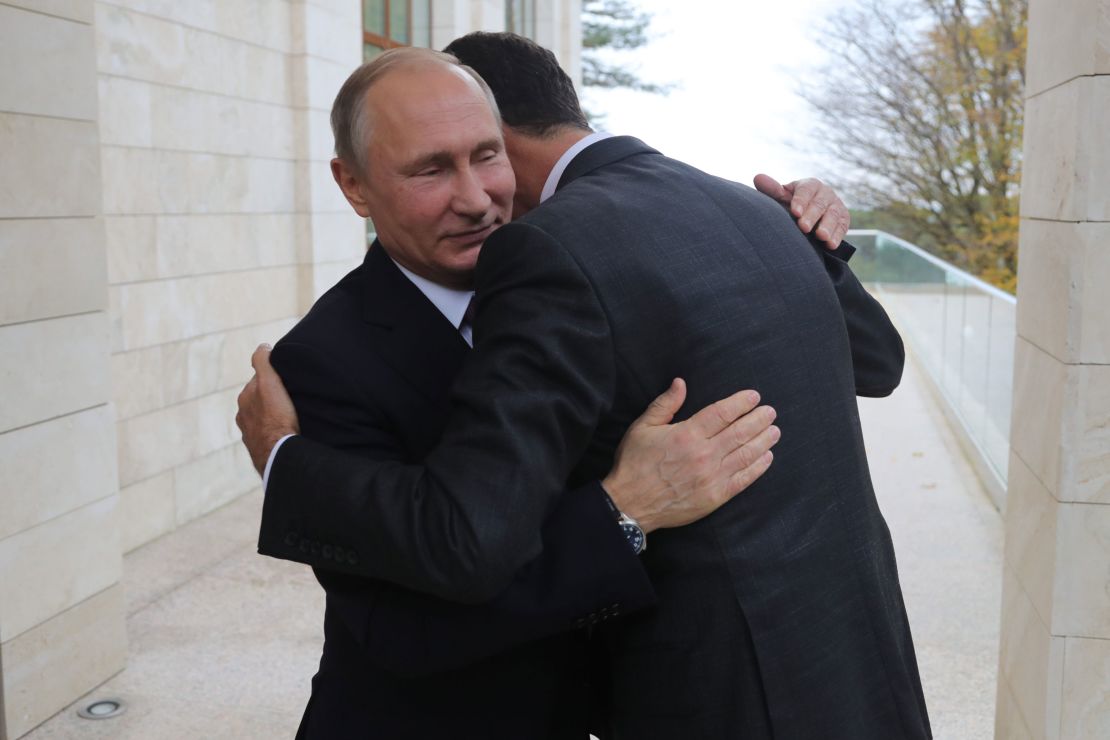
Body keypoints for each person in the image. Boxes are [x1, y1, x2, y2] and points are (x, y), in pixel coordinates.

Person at [239, 37, 929, 739]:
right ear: (353, 184)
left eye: (486, 155)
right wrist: (624, 510)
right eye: (430, 170)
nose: (477, 200)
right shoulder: (320, 365)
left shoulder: (576, 272)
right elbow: (405, 630)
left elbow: (872, 359)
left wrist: (809, 242)